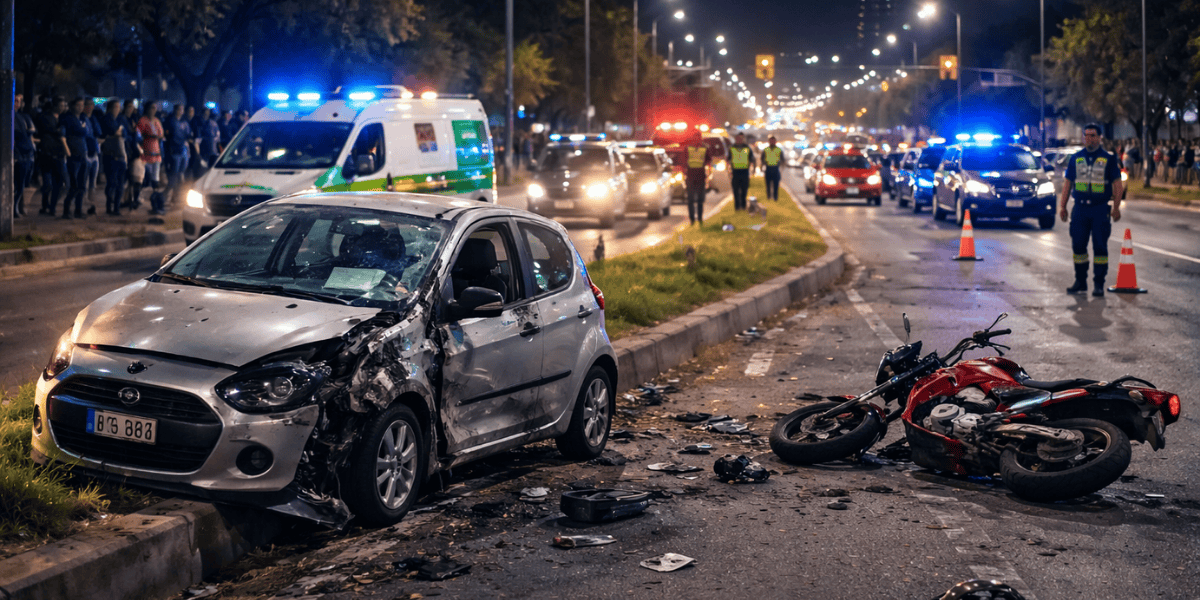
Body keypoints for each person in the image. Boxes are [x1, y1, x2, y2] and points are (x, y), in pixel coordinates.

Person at [1059, 123, 1123, 297]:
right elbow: (1068, 183)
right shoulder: (1076, 158)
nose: (1089, 138)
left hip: (1100, 210)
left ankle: (1098, 284)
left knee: (1100, 248)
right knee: (1078, 246)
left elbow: (1118, 185)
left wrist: (1116, 208)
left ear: (1100, 137)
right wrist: (1062, 205)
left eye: (1093, 135)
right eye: (1086, 135)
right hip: (1080, 209)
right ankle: (1080, 281)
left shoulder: (1108, 159)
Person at [35, 96, 69, 216]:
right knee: (48, 183)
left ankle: (52, 205)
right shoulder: (45, 117)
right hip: (47, 154)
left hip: (59, 155)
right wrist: (59, 131)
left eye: (63, 105)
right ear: (54, 106)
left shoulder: (63, 118)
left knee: (62, 184)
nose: (62, 108)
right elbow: (54, 131)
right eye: (60, 105)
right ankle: (46, 206)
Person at [60, 97, 92, 219]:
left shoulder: (82, 118)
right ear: (72, 106)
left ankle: (78, 210)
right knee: (73, 185)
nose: (81, 107)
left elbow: (87, 132)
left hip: (83, 154)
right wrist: (82, 129)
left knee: (82, 185)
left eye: (82, 105)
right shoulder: (68, 118)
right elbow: (81, 130)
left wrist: (83, 129)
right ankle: (66, 210)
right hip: (73, 155)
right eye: (78, 105)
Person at [97, 100, 128, 215]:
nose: (118, 109)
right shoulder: (106, 119)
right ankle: (109, 206)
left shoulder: (120, 119)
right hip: (110, 156)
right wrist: (117, 131)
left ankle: (116, 207)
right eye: (116, 107)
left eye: (119, 107)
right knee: (112, 183)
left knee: (120, 185)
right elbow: (114, 131)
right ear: (110, 108)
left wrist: (118, 131)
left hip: (121, 156)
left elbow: (125, 133)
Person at [163, 103, 192, 213]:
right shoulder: (170, 121)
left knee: (180, 176)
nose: (181, 111)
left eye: (182, 109)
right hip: (174, 152)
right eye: (179, 109)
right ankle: (165, 198)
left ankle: (176, 199)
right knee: (173, 177)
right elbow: (168, 136)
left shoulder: (184, 122)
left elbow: (188, 134)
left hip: (182, 151)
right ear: (175, 110)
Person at [137, 102, 165, 213]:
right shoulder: (142, 121)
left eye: (154, 108)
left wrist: (156, 136)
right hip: (145, 154)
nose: (153, 110)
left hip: (156, 154)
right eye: (151, 107)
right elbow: (139, 135)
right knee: (144, 178)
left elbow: (161, 134)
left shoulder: (157, 121)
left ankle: (155, 202)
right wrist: (148, 136)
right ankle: (138, 198)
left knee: (155, 180)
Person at [14, 94, 38, 218]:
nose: (17, 103)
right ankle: (14, 209)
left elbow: (32, 129)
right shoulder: (9, 117)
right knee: (17, 185)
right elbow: (24, 132)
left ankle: (19, 208)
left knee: (22, 184)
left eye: (19, 101)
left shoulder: (23, 116)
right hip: (18, 155)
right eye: (15, 101)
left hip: (27, 154)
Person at [684, 135, 711, 225]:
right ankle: (694, 219)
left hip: (698, 176)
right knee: (693, 200)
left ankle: (698, 219)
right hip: (693, 177)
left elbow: (708, 160)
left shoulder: (703, 148)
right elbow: (683, 161)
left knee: (698, 200)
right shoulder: (689, 148)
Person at [728, 132, 756, 210]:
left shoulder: (747, 148)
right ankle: (737, 207)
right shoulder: (732, 148)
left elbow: (752, 159)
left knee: (744, 190)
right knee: (736, 191)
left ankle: (743, 206)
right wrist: (729, 171)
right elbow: (728, 159)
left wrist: (753, 171)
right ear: (736, 138)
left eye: (741, 138)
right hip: (735, 172)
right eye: (738, 138)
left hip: (744, 172)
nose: (740, 139)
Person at [761, 135, 783, 201]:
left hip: (776, 169)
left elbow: (782, 159)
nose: (772, 142)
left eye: (773, 141)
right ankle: (768, 197)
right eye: (771, 141)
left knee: (776, 184)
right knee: (768, 184)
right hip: (768, 168)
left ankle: (775, 197)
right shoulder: (765, 150)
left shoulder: (779, 150)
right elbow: (762, 159)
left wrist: (780, 164)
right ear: (769, 142)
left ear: (775, 142)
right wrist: (763, 165)